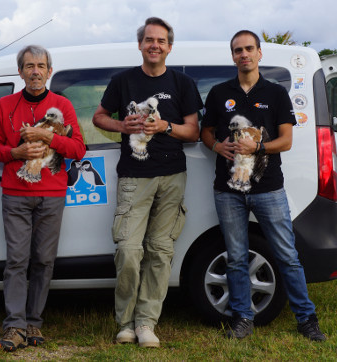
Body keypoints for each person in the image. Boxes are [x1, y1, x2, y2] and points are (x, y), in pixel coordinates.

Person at [200, 30, 326, 342]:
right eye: (238, 50)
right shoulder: (218, 93)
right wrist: (217, 147)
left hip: (269, 189)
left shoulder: (275, 93)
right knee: (237, 256)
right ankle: (242, 317)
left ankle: (306, 319)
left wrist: (256, 149)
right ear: (233, 56)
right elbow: (205, 132)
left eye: (249, 49)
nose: (243, 54)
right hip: (228, 190)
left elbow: (286, 140)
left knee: (286, 255)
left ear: (259, 54)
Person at [92, 17, 202, 348]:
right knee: (127, 250)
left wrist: (165, 126)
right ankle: (124, 322)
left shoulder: (182, 83)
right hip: (133, 176)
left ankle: (146, 323)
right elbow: (98, 117)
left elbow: (193, 131)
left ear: (169, 47)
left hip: (172, 177)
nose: (155, 45)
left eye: (161, 40)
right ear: (140, 45)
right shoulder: (123, 81)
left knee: (160, 251)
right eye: (149, 40)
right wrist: (122, 127)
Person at [0, 45, 86, 352]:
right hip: (15, 195)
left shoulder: (62, 105)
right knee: (16, 261)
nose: (35, 71)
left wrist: (48, 137)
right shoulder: (5, 105)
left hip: (52, 194)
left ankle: (34, 323)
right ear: (20, 72)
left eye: (40, 66)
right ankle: (14, 326)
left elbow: (78, 149)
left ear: (49, 71)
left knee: (43, 261)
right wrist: (15, 152)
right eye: (29, 66)